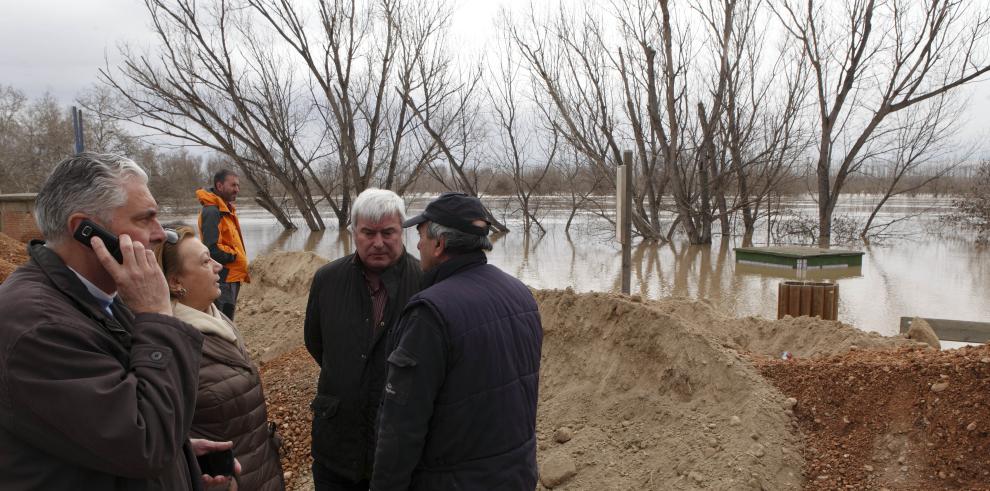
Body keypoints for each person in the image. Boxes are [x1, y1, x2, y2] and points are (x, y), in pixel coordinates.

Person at [0, 152, 237, 490]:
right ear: (85, 231)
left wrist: (182, 457)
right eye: (146, 219)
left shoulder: (99, 299)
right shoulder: (37, 326)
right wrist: (157, 316)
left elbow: (116, 423)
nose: (163, 234)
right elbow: (144, 442)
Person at [371, 192, 543, 490]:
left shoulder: (430, 313)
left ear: (439, 245)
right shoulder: (520, 294)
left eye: (422, 235)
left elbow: (402, 426)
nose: (417, 244)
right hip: (517, 476)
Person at [304, 188, 424, 490]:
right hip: (336, 443)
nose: (378, 242)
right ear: (353, 232)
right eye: (368, 233)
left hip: (402, 450)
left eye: (388, 232)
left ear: (403, 232)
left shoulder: (425, 282)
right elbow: (315, 341)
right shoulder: (327, 280)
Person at [155, 225, 285, 490]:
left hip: (259, 472)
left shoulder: (216, 318)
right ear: (175, 281)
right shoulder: (171, 342)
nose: (218, 266)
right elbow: (162, 437)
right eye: (205, 261)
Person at [196, 169, 248, 320]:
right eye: (233, 185)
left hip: (232, 278)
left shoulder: (225, 209)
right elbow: (211, 248)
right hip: (223, 279)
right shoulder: (212, 211)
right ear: (219, 185)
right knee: (222, 322)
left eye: (238, 186)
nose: (237, 189)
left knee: (227, 320)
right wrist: (234, 256)